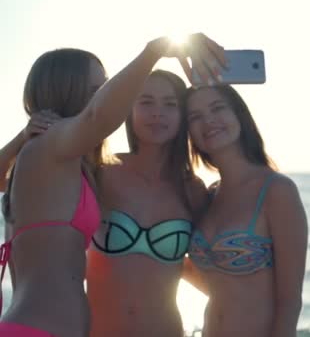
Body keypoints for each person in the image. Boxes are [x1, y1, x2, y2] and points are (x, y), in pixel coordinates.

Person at [0, 34, 224, 337]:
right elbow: (99, 116)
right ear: (70, 90)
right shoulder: (56, 150)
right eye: (99, 88)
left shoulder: (64, 164)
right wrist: (155, 51)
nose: (106, 95)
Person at [86, 69, 208, 337]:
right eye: (146, 102)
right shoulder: (102, 173)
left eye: (170, 104)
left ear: (182, 116)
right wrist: (28, 136)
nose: (157, 113)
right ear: (129, 110)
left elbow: (203, 268)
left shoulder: (193, 190)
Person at [185, 85, 308, 337]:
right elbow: (221, 284)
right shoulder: (210, 195)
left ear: (239, 115)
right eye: (195, 116)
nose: (208, 120)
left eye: (217, 108)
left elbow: (289, 302)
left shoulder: (277, 191)